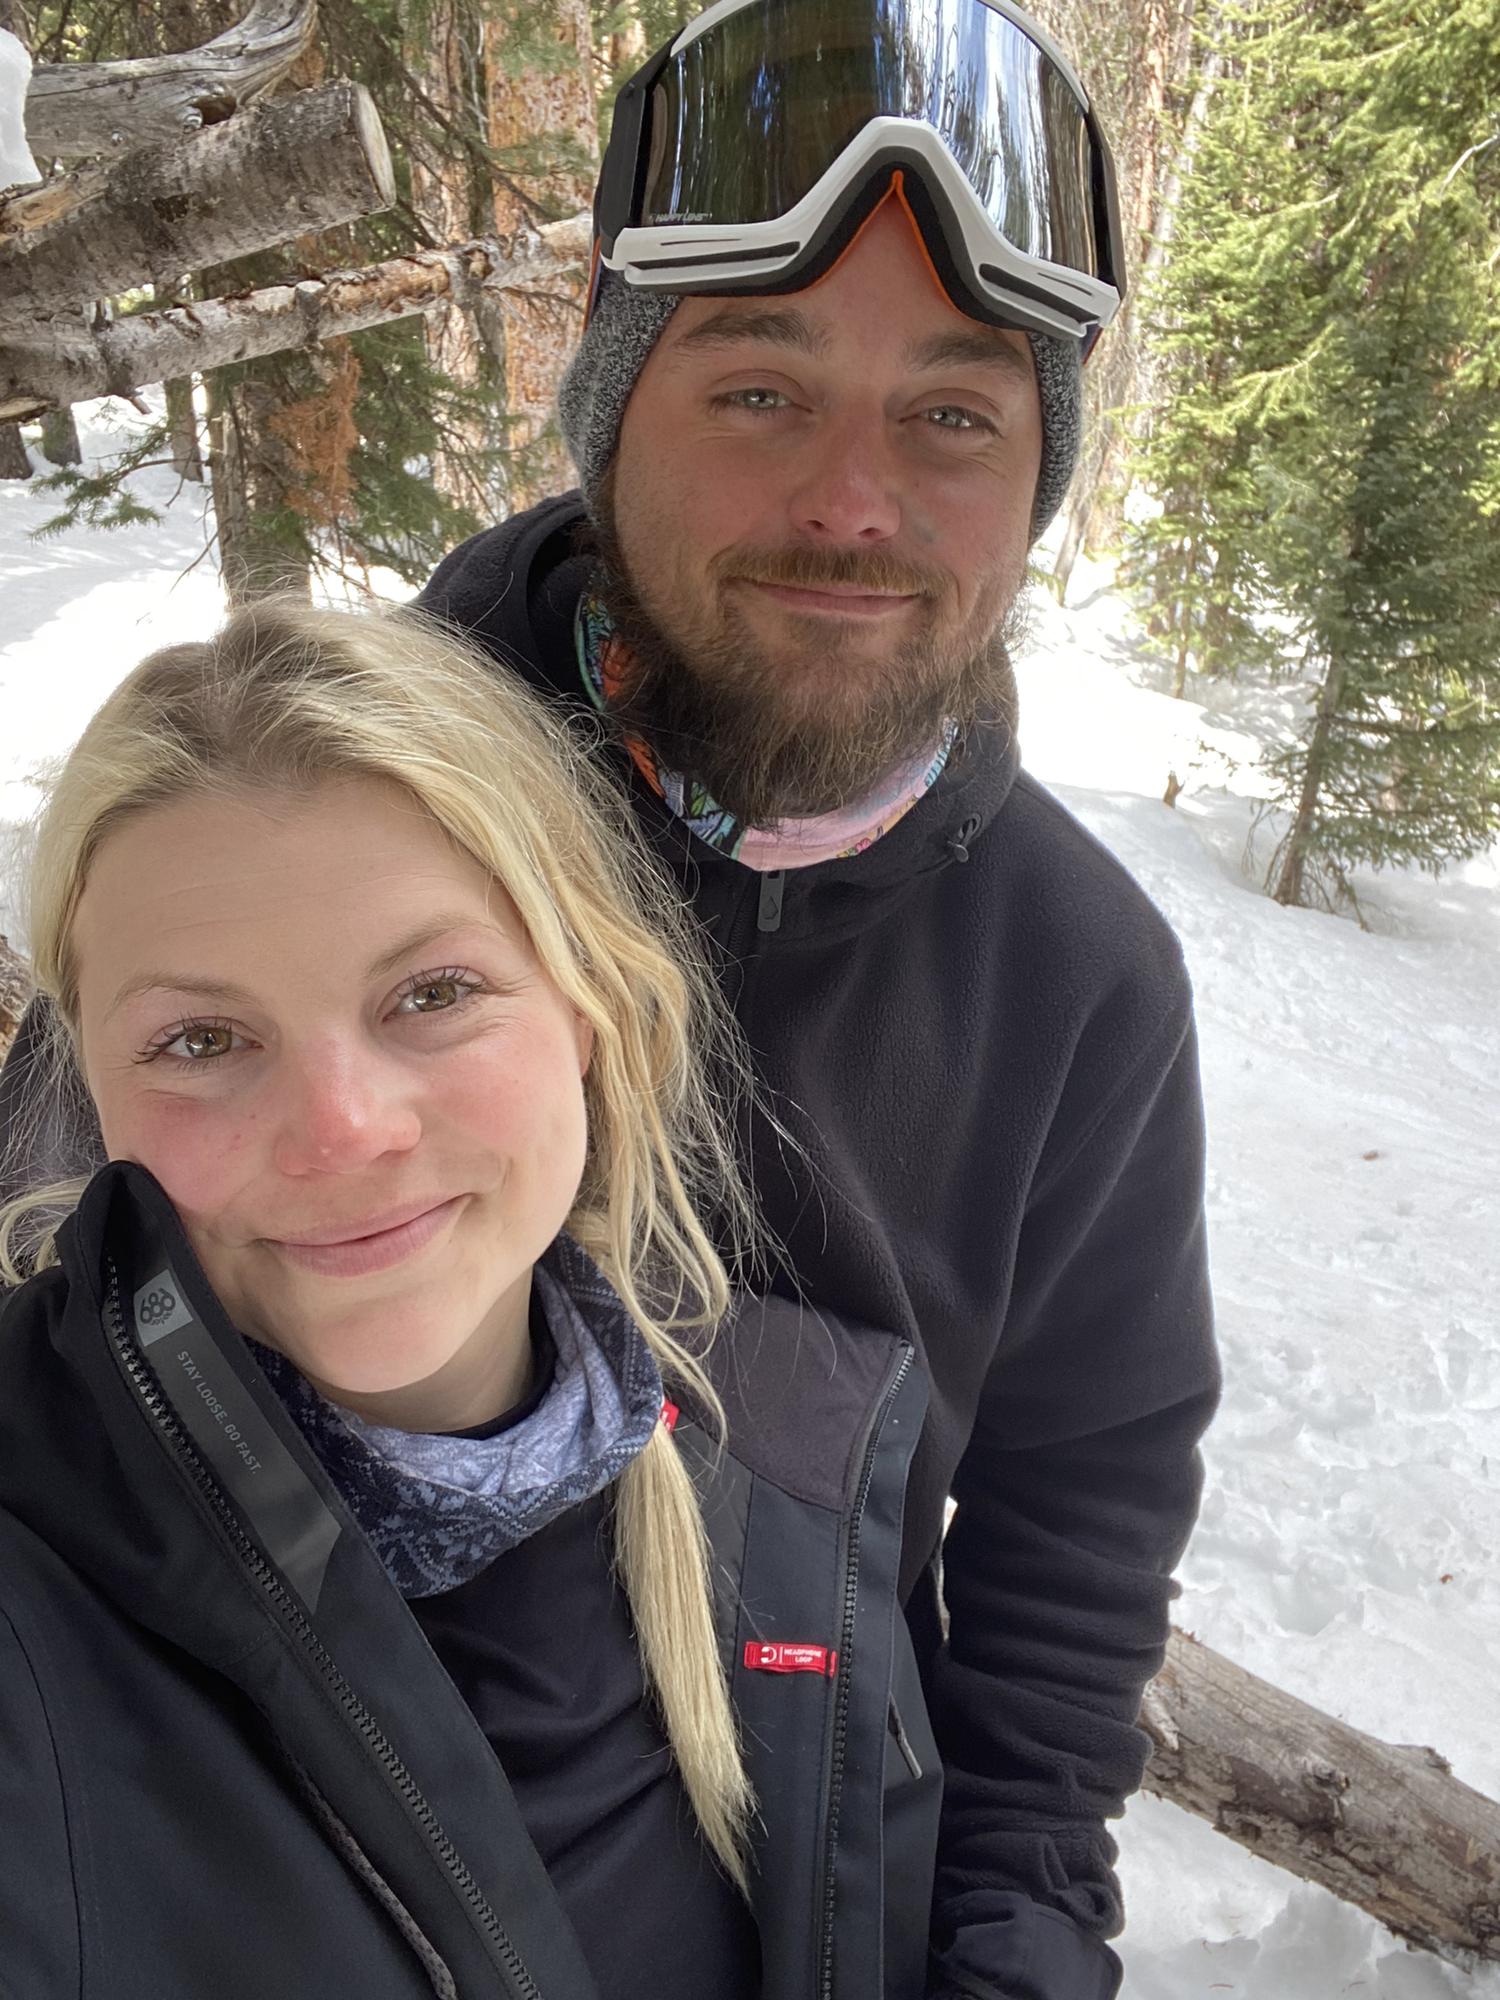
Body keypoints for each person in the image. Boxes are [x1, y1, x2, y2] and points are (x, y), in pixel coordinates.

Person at [0, 4, 1221, 1997]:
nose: (853, 501)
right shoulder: (302, 832)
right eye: (760, 392)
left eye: (953, 415)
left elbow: (1065, 1563)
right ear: (612, 383)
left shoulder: (1075, 984)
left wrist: (1011, 1947)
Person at [0, 600, 938, 1998]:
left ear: (591, 1005)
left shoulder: (798, 1472)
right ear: (95, 1097)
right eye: (201, 1039)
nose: (342, 1128)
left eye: (432, 993)